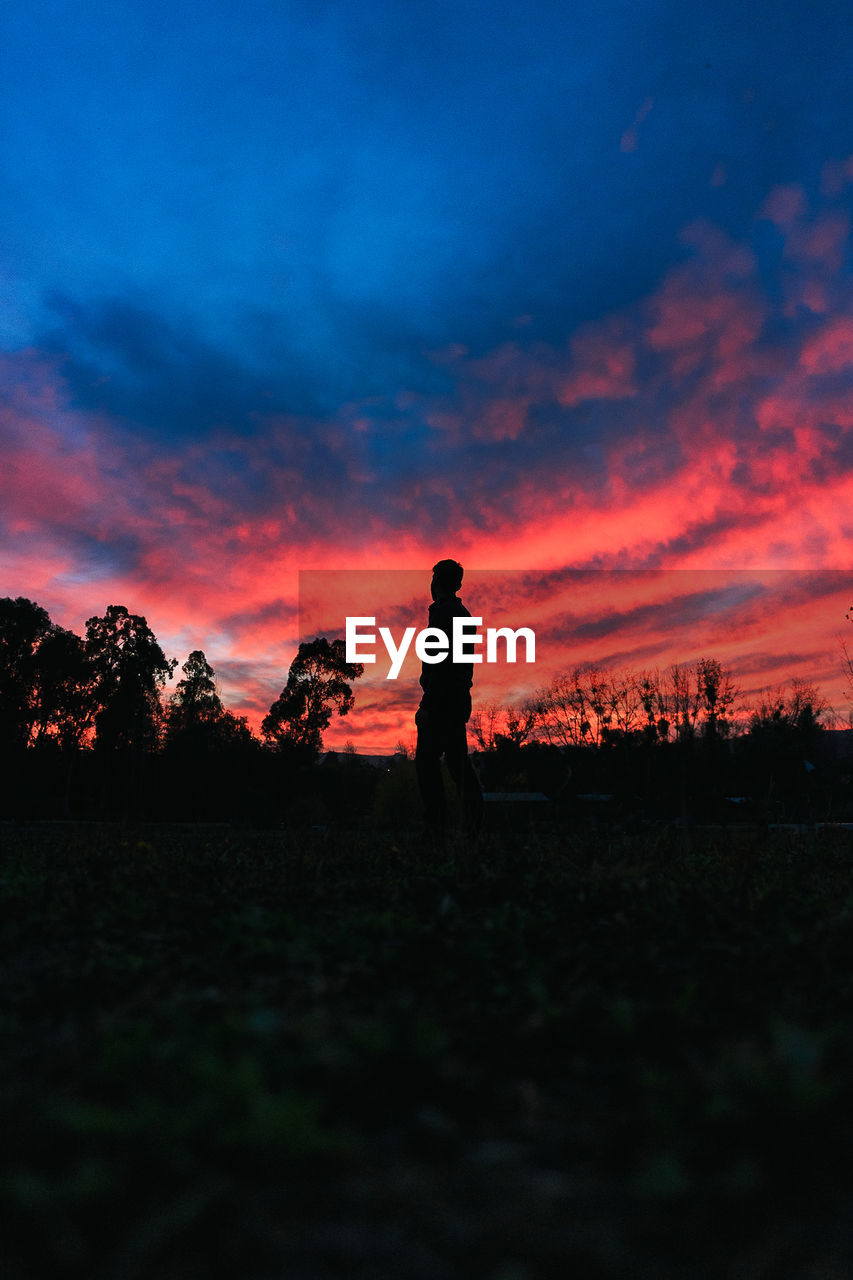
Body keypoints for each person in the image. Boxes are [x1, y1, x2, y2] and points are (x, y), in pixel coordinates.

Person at [415, 559, 484, 836]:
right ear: (458, 584)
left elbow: (442, 665)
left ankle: (437, 826)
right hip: (456, 699)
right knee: (458, 764)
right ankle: (475, 826)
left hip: (442, 701)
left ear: (436, 582)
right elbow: (460, 665)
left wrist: (427, 705)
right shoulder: (461, 614)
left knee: (427, 764)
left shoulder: (445, 615)